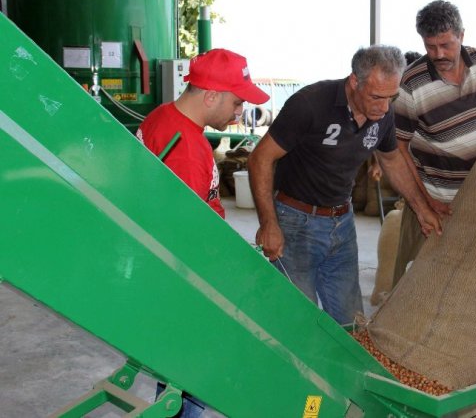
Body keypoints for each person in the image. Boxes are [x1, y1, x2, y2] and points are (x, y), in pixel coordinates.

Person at [247, 45, 443, 325]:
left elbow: (392, 161)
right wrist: (269, 223)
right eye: (376, 97)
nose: (384, 107)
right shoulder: (310, 103)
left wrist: (422, 209)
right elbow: (260, 159)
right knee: (297, 321)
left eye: (391, 97)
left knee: (351, 322)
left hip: (342, 223)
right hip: (296, 223)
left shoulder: (384, 113)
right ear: (354, 81)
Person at [137, 48, 269, 418]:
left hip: (163, 267)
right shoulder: (188, 149)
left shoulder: (161, 118)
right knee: (193, 372)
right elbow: (188, 233)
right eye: (237, 101)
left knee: (177, 366)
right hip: (185, 274)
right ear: (211, 95)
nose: (240, 112)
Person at [391, 0, 476, 286]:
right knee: (423, 281)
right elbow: (397, 150)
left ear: (461, 35)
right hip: (436, 201)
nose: (439, 54)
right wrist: (424, 203)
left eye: (446, 45)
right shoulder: (410, 85)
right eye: (431, 47)